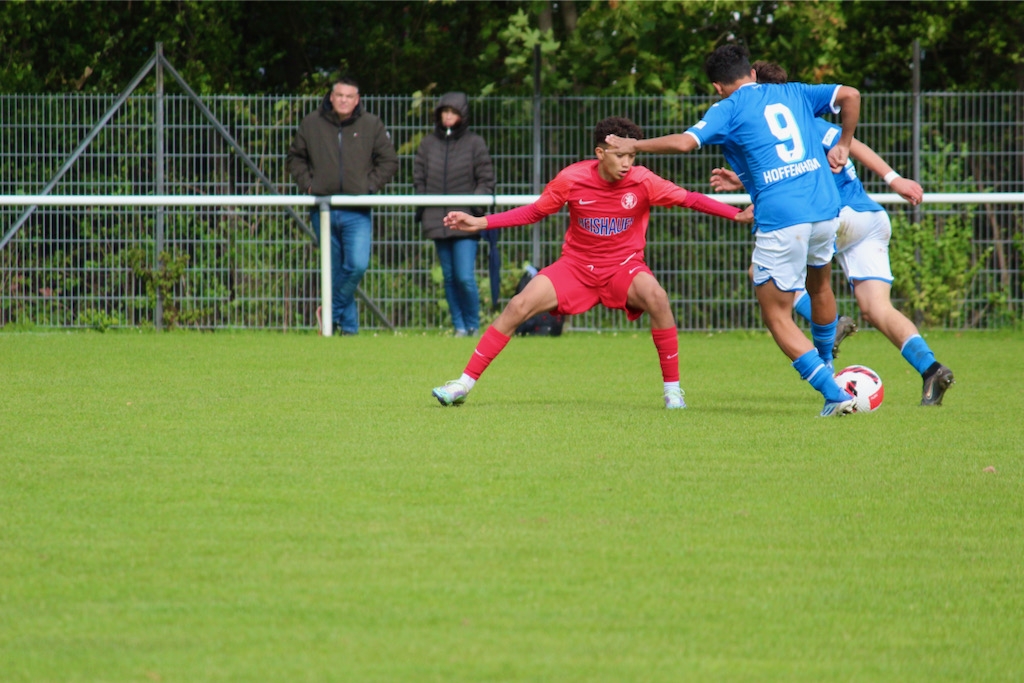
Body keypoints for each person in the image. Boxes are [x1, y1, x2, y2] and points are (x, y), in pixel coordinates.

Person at [605, 44, 861, 417]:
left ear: (717, 86)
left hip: (782, 216)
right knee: (819, 285)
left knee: (777, 315)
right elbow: (850, 94)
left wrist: (634, 144)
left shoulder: (728, 107)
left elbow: (685, 143)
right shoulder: (793, 91)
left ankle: (834, 393)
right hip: (824, 207)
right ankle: (829, 368)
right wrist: (844, 143)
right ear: (752, 73)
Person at [430, 116, 753, 410]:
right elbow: (535, 211)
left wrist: (735, 213)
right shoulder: (571, 179)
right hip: (576, 267)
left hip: (623, 267)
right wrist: (479, 222)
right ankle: (462, 384)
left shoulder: (644, 181)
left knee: (658, 298)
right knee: (518, 305)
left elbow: (690, 198)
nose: (627, 163)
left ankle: (673, 392)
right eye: (619, 155)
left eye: (632, 155)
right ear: (600, 153)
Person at [710, 61, 955, 406]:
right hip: (870, 218)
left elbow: (789, 182)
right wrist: (893, 179)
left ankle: (830, 323)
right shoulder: (805, 120)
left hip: (834, 216)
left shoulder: (793, 121)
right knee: (876, 308)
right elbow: (847, 147)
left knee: (763, 275)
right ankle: (931, 369)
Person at [286, 76, 399, 335]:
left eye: (349, 96)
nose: (344, 100)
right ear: (331, 96)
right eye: (339, 95)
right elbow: (295, 158)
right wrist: (310, 185)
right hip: (322, 208)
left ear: (357, 99)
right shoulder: (312, 123)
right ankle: (348, 330)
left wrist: (368, 187)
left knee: (357, 265)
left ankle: (329, 312)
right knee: (336, 270)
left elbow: (389, 161)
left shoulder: (371, 124)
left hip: (357, 210)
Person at [414, 92, 495, 337]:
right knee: (449, 277)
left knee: (464, 277)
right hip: (437, 220)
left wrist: (474, 211)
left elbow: (486, 179)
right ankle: (459, 326)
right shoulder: (427, 144)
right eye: (444, 112)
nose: (448, 116)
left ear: (462, 115)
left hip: (465, 222)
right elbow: (419, 177)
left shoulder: (475, 143)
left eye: (453, 112)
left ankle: (473, 326)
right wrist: (424, 206)